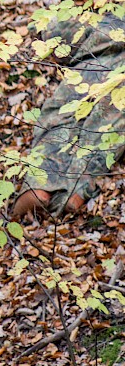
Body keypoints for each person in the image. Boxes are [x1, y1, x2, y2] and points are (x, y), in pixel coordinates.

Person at [10, 15, 125, 220]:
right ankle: (77, 191)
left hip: (92, 68)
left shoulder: (103, 15)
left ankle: (38, 185)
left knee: (59, 120)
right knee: (104, 132)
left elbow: (59, 35)